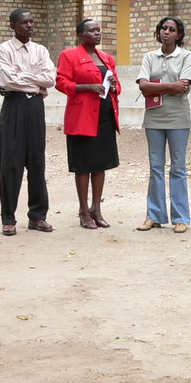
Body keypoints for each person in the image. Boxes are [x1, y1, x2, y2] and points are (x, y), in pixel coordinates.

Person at [0, 9, 57, 236]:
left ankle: (37, 216)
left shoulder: (40, 50)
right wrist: (36, 82)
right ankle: (9, 218)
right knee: (11, 164)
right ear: (12, 26)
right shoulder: (4, 49)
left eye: (31, 22)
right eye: (23, 22)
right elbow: (8, 81)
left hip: (35, 109)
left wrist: (26, 77)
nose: (29, 26)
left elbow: (51, 79)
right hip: (14, 107)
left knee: (37, 162)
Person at [56, 18, 121, 229]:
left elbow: (117, 87)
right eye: (91, 30)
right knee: (83, 165)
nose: (97, 33)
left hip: (104, 117)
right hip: (82, 117)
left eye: (98, 30)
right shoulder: (69, 55)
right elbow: (61, 82)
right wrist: (87, 87)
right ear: (80, 36)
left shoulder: (107, 58)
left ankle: (96, 209)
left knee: (100, 164)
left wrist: (113, 85)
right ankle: (83, 210)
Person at [136, 16, 191, 234]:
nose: (166, 32)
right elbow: (143, 86)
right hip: (154, 116)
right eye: (163, 28)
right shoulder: (149, 56)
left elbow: (185, 88)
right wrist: (170, 86)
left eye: (172, 30)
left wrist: (157, 87)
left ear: (179, 35)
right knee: (155, 167)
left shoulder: (186, 56)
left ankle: (180, 217)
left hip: (178, 117)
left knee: (178, 168)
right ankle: (154, 215)